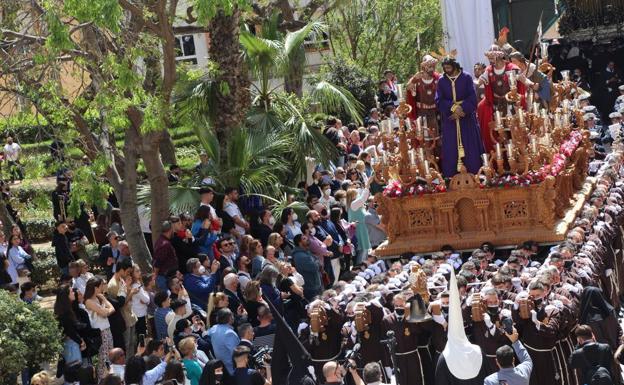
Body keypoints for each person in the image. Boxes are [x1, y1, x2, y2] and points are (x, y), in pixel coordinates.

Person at [436, 56, 484, 177]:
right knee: (451, 149)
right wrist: (453, 108)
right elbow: (439, 100)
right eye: (444, 67)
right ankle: (451, 176)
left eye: (448, 67)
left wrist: (462, 109)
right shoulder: (441, 81)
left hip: (466, 119)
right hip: (450, 120)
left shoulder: (466, 77)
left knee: (470, 147)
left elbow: (473, 98)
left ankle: (474, 174)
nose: (446, 69)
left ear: (455, 66)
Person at [84, 277, 116, 380]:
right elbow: (104, 313)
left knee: (109, 356)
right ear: (95, 287)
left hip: (107, 330)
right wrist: (106, 310)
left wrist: (105, 301)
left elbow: (111, 309)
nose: (103, 287)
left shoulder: (100, 298)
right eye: (101, 285)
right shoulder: (89, 301)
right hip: (100, 333)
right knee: (103, 359)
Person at [54, 285, 87, 373]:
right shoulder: (65, 312)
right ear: (67, 295)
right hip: (71, 345)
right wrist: (81, 342)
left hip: (69, 344)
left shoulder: (63, 308)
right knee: (74, 374)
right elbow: (70, 331)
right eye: (71, 292)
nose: (74, 293)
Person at [207, 308, 240, 375]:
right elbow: (237, 354)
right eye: (232, 315)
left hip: (221, 368)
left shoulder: (213, 328)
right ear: (230, 318)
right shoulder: (229, 333)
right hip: (232, 370)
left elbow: (205, 334)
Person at [346, 184, 372, 265]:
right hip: (359, 231)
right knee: (361, 253)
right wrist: (367, 185)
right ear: (353, 195)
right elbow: (363, 198)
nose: (358, 194)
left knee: (365, 252)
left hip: (363, 230)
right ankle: (358, 269)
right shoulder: (353, 204)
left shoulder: (355, 205)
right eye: (356, 193)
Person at [292, 234, 322, 300]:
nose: (307, 239)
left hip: (315, 285)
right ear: (300, 243)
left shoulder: (306, 251)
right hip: (311, 288)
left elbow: (316, 260)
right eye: (304, 239)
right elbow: (315, 267)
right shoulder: (300, 256)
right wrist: (317, 261)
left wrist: (316, 261)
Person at [153, 221, 179, 292]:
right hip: (163, 278)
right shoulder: (164, 244)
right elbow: (158, 261)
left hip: (167, 276)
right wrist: (155, 275)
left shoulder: (162, 241)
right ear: (170, 230)